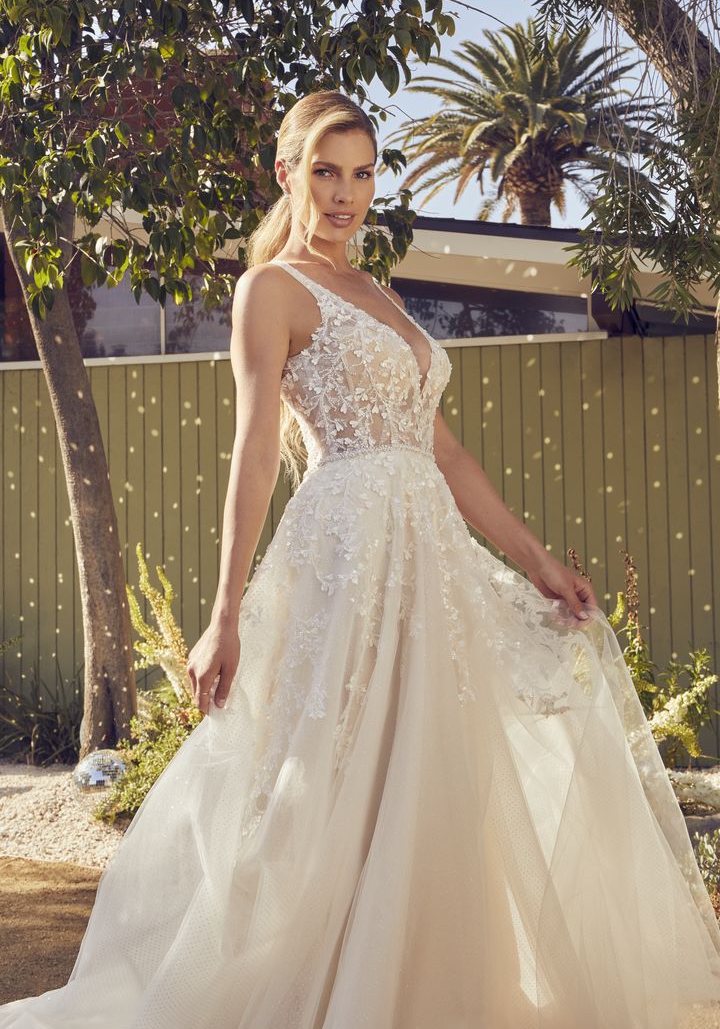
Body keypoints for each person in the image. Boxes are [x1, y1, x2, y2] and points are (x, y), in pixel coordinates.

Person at [2, 88, 720, 1029]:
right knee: (333, 779)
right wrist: (224, 615)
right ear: (287, 172)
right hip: (346, 555)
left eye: (364, 173)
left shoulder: (380, 290)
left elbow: (447, 452)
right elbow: (255, 450)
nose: (346, 193)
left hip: (428, 558)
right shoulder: (272, 290)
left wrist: (539, 558)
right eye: (326, 171)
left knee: (434, 772)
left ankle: (426, 991)